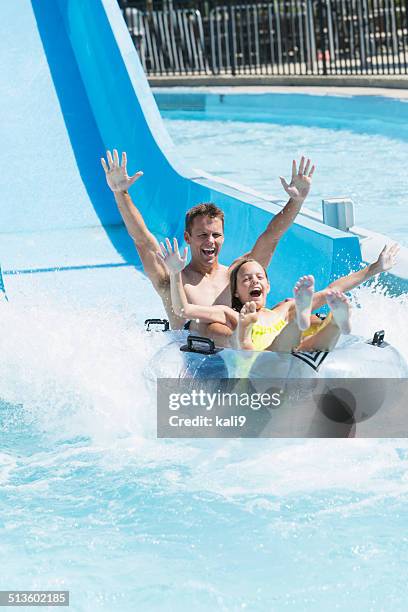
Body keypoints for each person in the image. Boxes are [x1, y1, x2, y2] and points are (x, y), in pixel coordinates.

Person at [101, 149, 315, 332]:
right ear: (188, 237)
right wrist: (121, 193)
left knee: (292, 310)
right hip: (195, 362)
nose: (210, 241)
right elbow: (143, 241)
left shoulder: (236, 276)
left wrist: (296, 201)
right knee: (210, 329)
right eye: (203, 235)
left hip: (237, 357)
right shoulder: (173, 279)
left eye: (216, 235)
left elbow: (271, 237)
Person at [158, 240, 400, 352]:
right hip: (263, 364)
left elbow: (333, 290)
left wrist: (374, 268)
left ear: (269, 286)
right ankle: (302, 320)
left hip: (295, 354)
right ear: (236, 292)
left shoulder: (281, 309)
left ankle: (337, 321)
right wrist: (176, 273)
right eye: (246, 279)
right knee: (285, 339)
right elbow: (184, 311)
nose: (254, 281)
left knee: (313, 328)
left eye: (259, 277)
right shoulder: (230, 314)